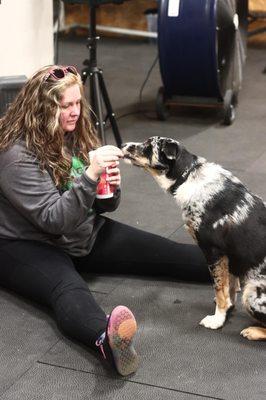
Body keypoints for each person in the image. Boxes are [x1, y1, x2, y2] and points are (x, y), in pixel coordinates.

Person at [0, 65, 208, 377]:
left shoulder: (74, 132)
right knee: (67, 289)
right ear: (42, 109)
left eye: (77, 103)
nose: (74, 112)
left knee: (171, 254)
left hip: (79, 231)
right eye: (65, 106)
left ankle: (250, 261)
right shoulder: (15, 155)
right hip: (27, 243)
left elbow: (102, 206)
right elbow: (52, 220)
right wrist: (90, 176)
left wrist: (108, 187)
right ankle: (108, 343)